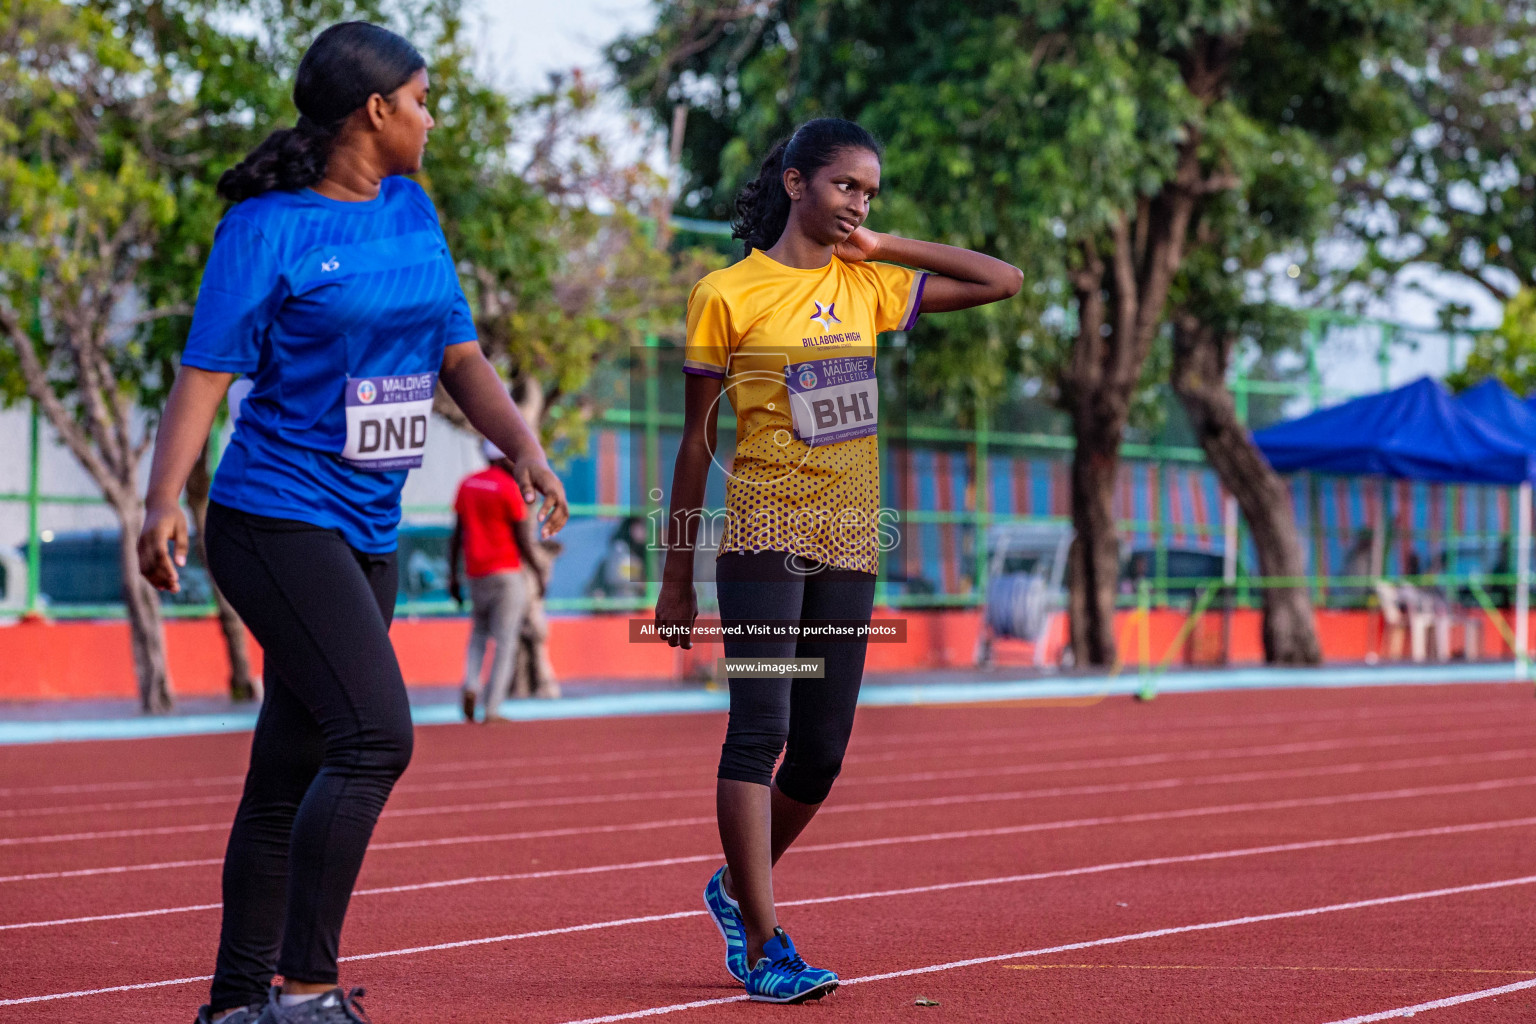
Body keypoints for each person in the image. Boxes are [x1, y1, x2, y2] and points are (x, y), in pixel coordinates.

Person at [136, 22, 567, 1024]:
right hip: (274, 517)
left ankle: (237, 1004)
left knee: (288, 771)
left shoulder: (413, 209)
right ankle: (305, 988)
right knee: (374, 736)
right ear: (374, 110)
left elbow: (459, 353)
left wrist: (523, 448)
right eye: (422, 99)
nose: (431, 117)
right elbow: (204, 372)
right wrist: (164, 498)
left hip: (370, 527)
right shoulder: (266, 228)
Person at [653, 117, 1021, 1003]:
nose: (859, 204)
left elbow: (1003, 280)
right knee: (760, 731)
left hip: (851, 537)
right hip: (762, 532)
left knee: (820, 753)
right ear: (794, 184)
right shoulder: (726, 294)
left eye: (870, 193)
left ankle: (736, 886)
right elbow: (696, 441)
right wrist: (676, 574)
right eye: (846, 187)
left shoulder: (871, 287)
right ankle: (766, 939)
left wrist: (887, 245)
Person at [449, 439, 546, 721]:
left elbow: (456, 535)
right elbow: (522, 539)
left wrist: (453, 576)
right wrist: (538, 571)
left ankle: (470, 684)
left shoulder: (467, 484)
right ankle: (491, 708)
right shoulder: (508, 488)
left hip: (475, 572)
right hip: (505, 573)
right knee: (505, 642)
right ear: (503, 458)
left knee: (478, 634)